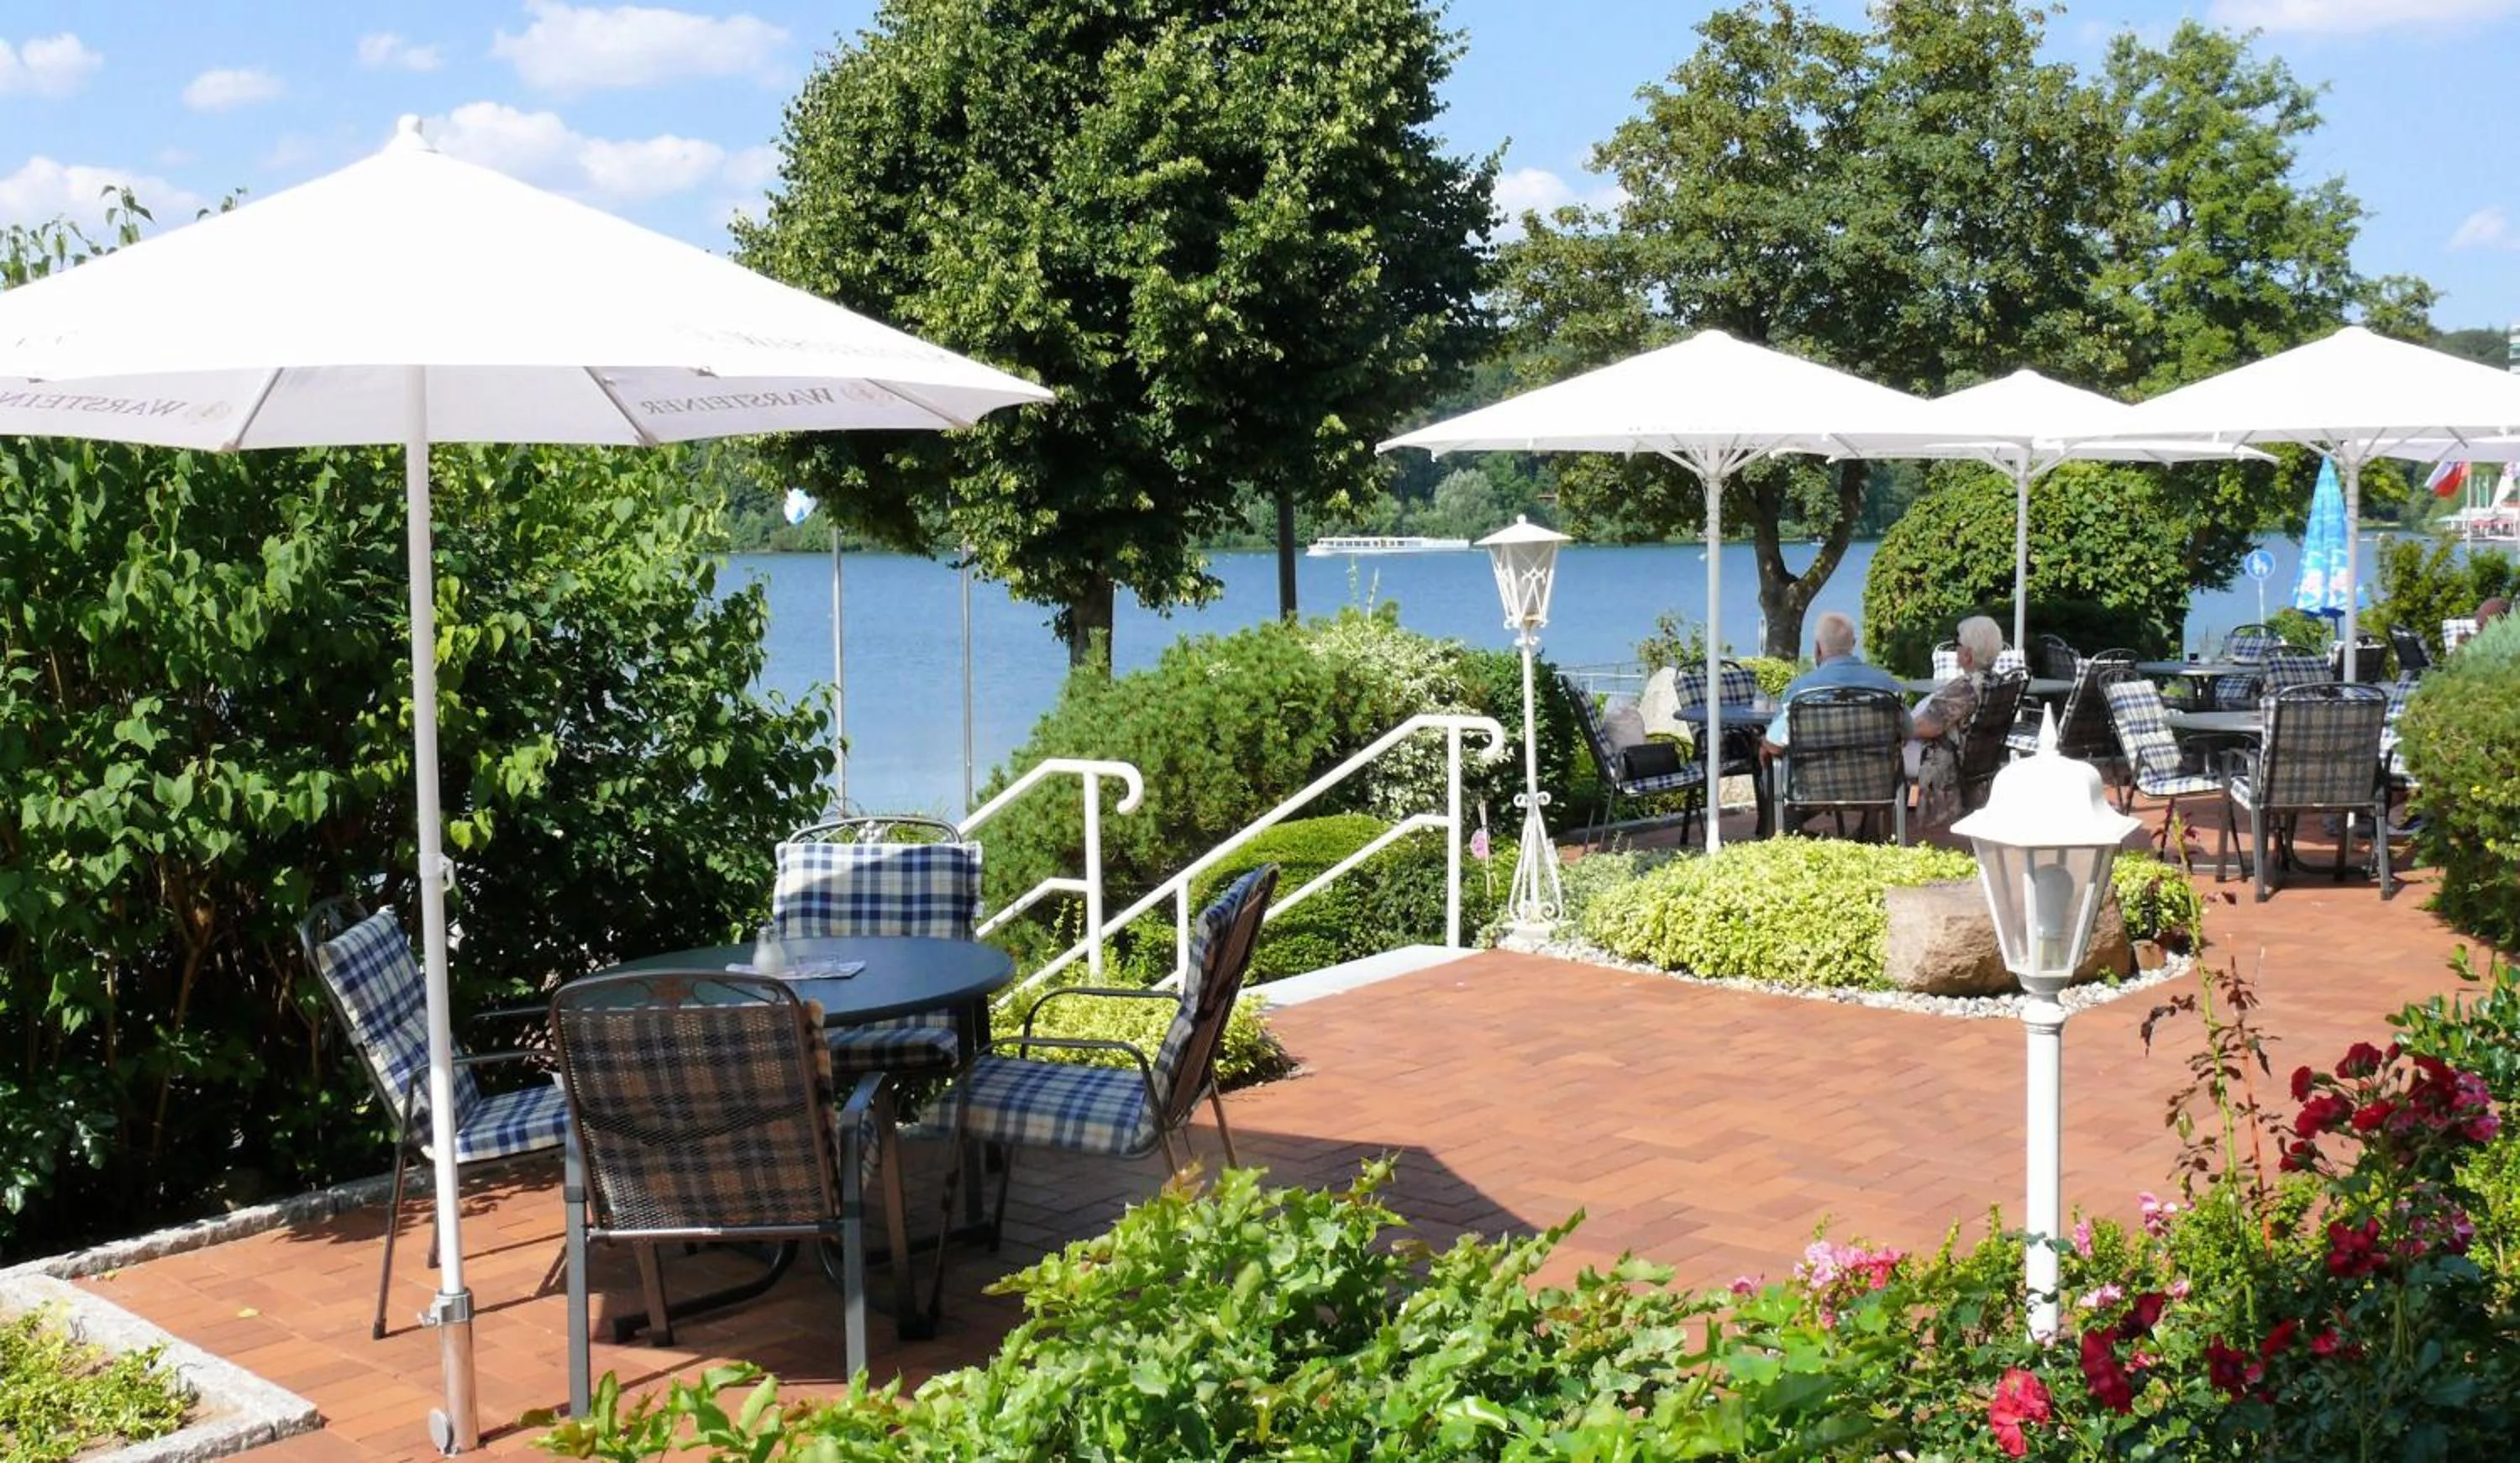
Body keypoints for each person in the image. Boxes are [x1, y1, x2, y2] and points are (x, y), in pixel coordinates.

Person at [1908, 615, 2005, 824]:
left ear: (1968, 654)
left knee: (1883, 753)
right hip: (1980, 762)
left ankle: (1876, 831)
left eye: (1957, 644)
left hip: (1948, 763)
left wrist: (1895, 726)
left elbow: (1927, 727)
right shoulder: (1998, 682)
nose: (1956, 650)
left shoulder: (1965, 688)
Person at [1761, 611, 1902, 751]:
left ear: (1818, 649)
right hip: (1878, 773)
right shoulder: (1887, 686)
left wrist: (1763, 743)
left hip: (1814, 773)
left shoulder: (1801, 690)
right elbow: (1907, 733)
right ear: (1853, 644)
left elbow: (1775, 744)